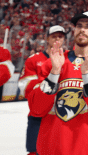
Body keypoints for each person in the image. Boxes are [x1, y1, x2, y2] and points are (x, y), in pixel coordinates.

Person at [28, 12, 88, 155]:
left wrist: (87, 74)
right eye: (79, 26)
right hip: (52, 146)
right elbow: (37, 108)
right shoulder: (53, 62)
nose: (82, 30)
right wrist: (54, 72)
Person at [19, 25, 66, 155]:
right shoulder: (34, 59)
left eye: (60, 36)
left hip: (61, 115)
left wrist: (44, 83)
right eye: (54, 36)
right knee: (35, 151)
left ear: (64, 40)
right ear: (47, 38)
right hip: (38, 115)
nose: (57, 39)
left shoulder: (70, 60)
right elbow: (26, 86)